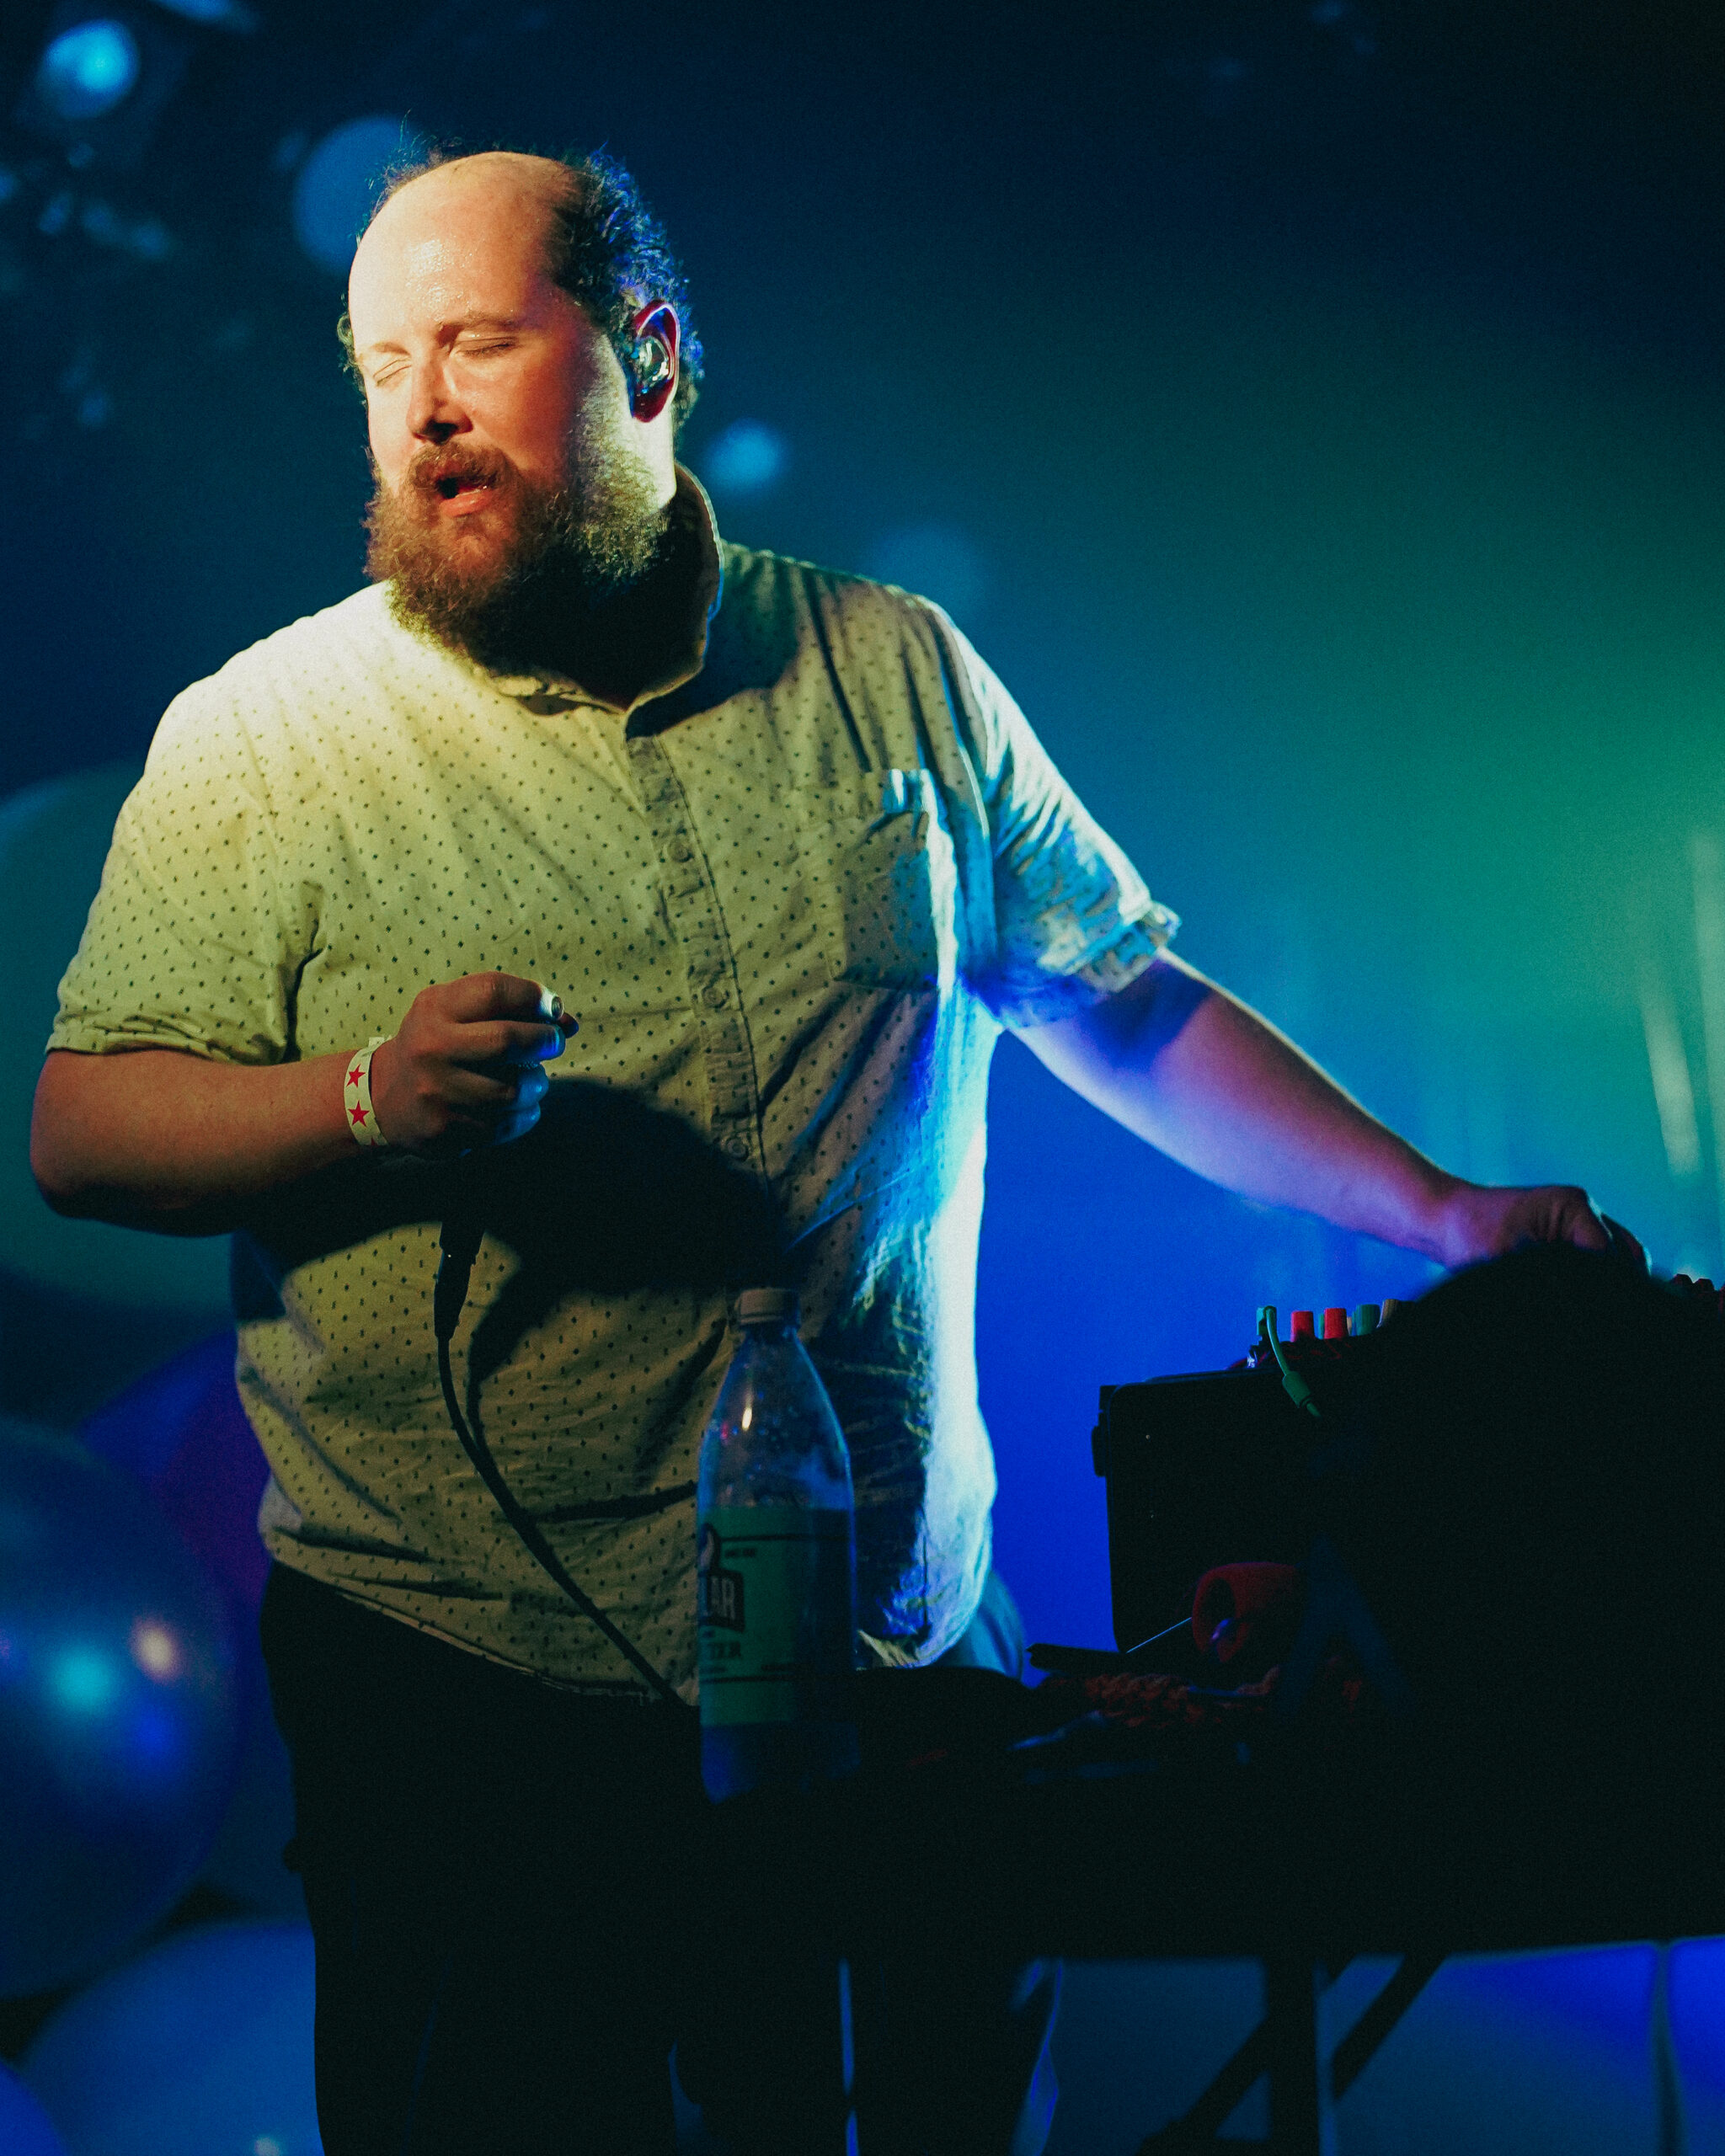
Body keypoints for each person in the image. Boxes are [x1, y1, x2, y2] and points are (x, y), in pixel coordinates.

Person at [30, 147, 1630, 2154]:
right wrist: (358, 1100)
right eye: (378, 362)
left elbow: (1116, 1001)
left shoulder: (895, 665)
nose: (419, 406)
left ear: (650, 353)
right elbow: (83, 1131)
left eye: (476, 345)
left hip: (902, 1652)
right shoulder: (258, 739)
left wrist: (1443, 1211)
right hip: (483, 1686)